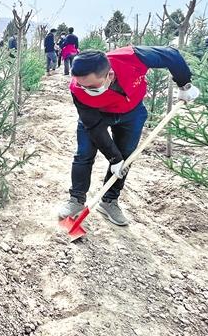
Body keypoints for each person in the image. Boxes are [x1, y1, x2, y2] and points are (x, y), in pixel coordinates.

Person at [57, 46, 200, 225]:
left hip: (132, 112)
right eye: (81, 84)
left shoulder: (131, 58)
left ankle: (109, 201)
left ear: (109, 75)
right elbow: (95, 127)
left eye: (92, 86)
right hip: (97, 115)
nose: (85, 89)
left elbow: (170, 55)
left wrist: (184, 84)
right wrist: (113, 158)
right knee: (84, 154)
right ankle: (76, 200)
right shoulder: (77, 89)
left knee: (126, 157)